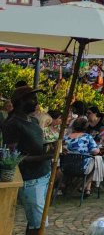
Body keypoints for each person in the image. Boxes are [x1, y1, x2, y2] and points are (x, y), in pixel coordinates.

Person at [0, 86, 52, 234]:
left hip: (43, 173)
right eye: (33, 98)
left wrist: (50, 148)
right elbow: (14, 157)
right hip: (30, 179)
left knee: (37, 222)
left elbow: (34, 145)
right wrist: (48, 156)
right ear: (21, 101)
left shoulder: (33, 120)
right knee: (38, 224)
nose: (37, 102)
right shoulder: (13, 124)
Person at [64, 117, 103, 196]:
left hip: (66, 166)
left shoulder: (66, 137)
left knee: (94, 161)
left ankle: (87, 189)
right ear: (85, 126)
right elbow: (96, 151)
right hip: (82, 167)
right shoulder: (87, 137)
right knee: (98, 162)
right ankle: (84, 186)